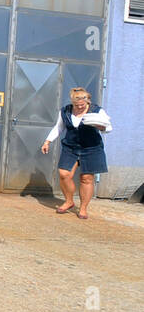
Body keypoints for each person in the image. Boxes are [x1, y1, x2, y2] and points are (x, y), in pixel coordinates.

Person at [41, 87, 111, 220]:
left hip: (91, 148)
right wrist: (47, 141)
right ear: (72, 102)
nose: (79, 107)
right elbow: (59, 127)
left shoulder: (97, 111)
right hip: (71, 147)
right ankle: (69, 201)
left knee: (86, 178)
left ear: (87, 101)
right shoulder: (65, 111)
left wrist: (102, 127)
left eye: (82, 105)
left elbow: (108, 128)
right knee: (64, 174)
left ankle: (83, 208)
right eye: (76, 105)